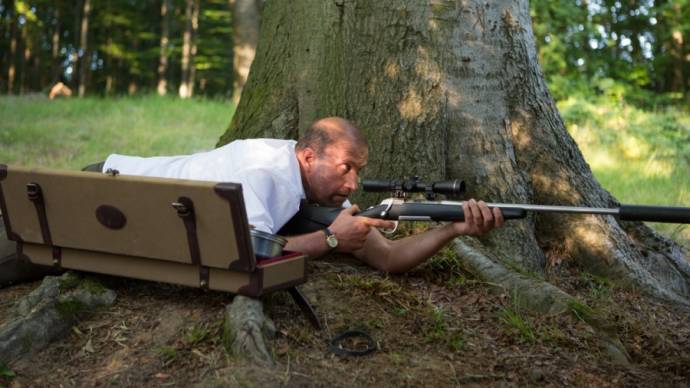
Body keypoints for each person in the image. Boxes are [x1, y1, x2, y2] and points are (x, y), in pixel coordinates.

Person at [101, 117, 504, 273]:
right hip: (110, 187)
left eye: (358, 172)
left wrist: (452, 228)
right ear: (308, 156)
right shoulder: (263, 173)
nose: (352, 185)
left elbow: (388, 258)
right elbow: (246, 252)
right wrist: (331, 239)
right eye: (346, 168)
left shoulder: (319, 191)